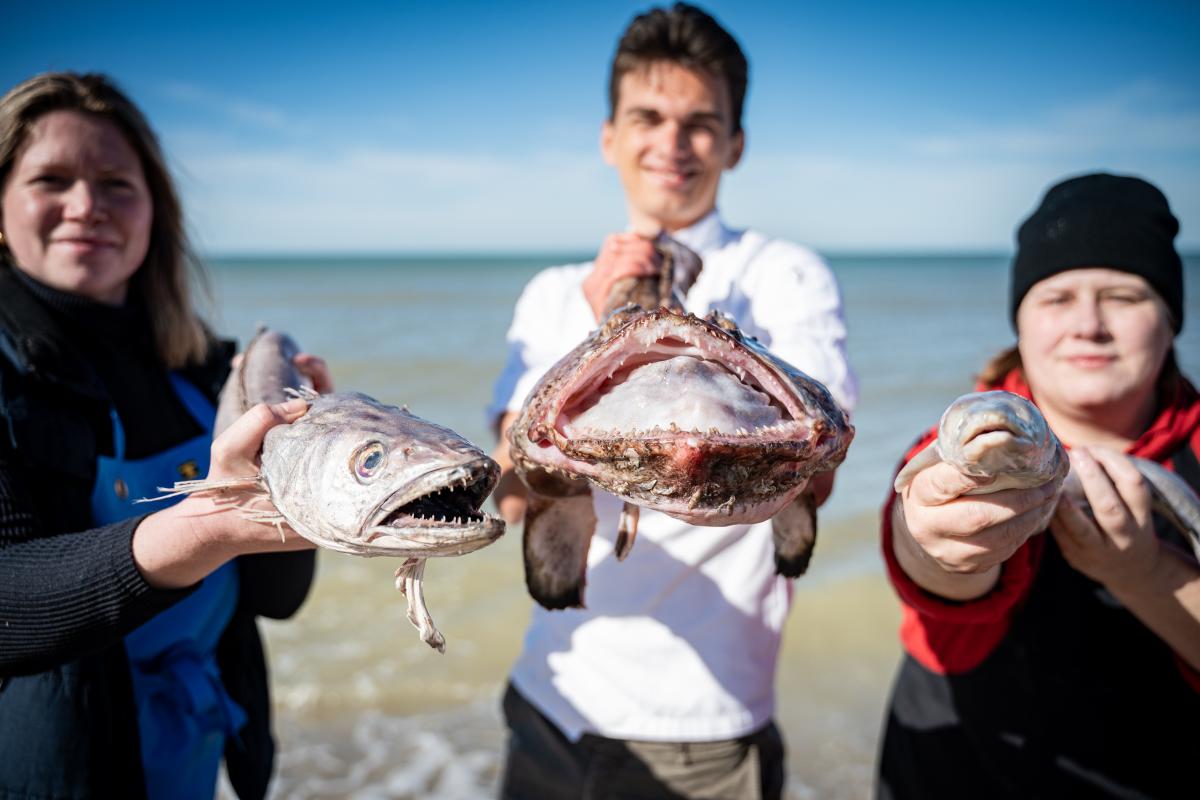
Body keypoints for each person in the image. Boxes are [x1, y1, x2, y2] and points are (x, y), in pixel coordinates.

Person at [487, 5, 857, 798]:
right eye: (647, 118)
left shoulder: (787, 275)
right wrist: (598, 331)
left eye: (700, 122)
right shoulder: (553, 294)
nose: (673, 144)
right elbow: (516, 494)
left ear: (735, 143)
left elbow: (816, 470)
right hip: (549, 703)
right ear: (610, 135)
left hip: (708, 731)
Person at [0, 72, 329, 799]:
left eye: (117, 183)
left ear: (155, 213)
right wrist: (205, 526)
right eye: (50, 179)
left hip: (195, 753)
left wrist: (306, 476)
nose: (87, 206)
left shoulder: (208, 370)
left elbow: (275, 598)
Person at [877, 172, 1200, 799]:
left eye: (1125, 296)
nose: (1089, 324)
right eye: (1056, 299)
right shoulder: (966, 433)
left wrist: (1147, 575)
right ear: (1019, 321)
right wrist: (940, 548)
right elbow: (914, 538)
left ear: (1171, 319)